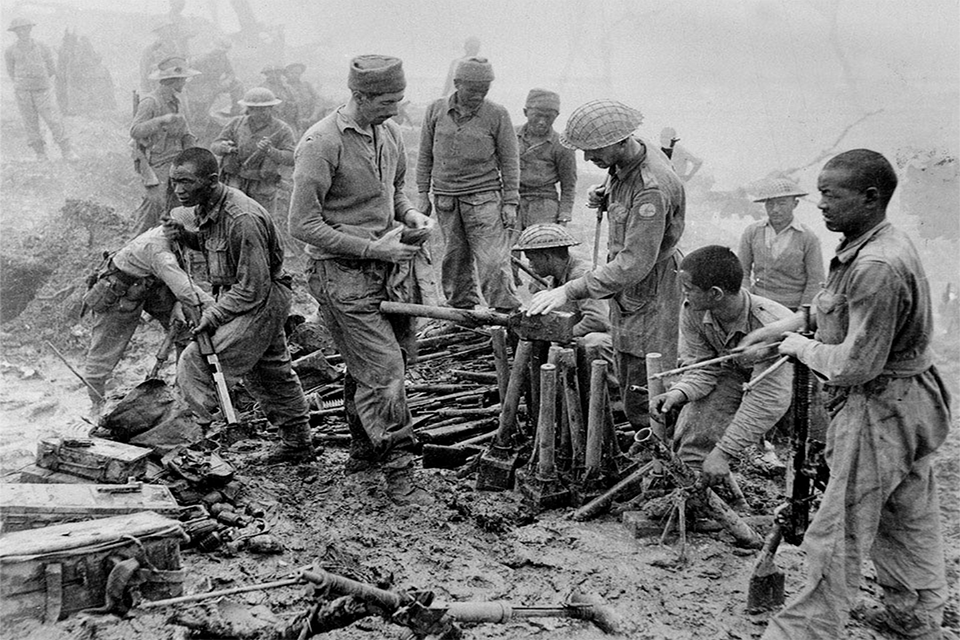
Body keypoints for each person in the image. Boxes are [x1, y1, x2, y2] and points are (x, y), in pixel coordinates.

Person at [740, 150, 952, 640]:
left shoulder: (878, 264)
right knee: (906, 516)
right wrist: (787, 326)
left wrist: (797, 346)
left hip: (881, 406)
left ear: (871, 197)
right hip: (912, 402)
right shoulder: (872, 242)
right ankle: (915, 617)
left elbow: (856, 365)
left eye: (832, 194)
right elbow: (836, 307)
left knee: (837, 532)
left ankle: (802, 633)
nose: (820, 204)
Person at [289, 55, 435, 505]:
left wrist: (410, 215)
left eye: (399, 99)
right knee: (385, 370)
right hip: (340, 276)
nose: (395, 109)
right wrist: (375, 248)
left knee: (376, 363)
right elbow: (302, 224)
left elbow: (395, 193)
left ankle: (363, 450)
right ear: (359, 95)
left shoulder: (388, 132)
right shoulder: (321, 142)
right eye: (386, 101)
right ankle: (399, 472)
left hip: (386, 272)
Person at [528, 100, 685, 430]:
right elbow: (624, 185)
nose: (587, 158)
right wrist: (608, 193)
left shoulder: (650, 189)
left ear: (621, 140)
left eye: (594, 150)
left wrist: (570, 289)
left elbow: (633, 264)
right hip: (629, 289)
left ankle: (661, 458)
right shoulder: (631, 158)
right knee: (628, 366)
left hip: (649, 286)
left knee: (646, 381)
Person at [163, 147, 315, 464]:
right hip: (246, 296)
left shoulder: (241, 218)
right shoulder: (208, 206)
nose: (179, 190)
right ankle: (298, 444)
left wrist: (213, 315)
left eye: (187, 182)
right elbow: (215, 245)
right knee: (271, 371)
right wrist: (187, 237)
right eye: (175, 181)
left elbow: (252, 287)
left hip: (260, 299)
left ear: (212, 180)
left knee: (197, 361)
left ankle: (199, 441)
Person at [650, 245, 793, 481]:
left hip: (797, 386)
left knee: (812, 459)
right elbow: (702, 368)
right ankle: (693, 482)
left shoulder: (769, 324)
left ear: (715, 293)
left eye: (689, 289)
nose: (684, 295)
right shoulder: (694, 311)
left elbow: (767, 399)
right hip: (737, 376)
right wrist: (677, 394)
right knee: (695, 423)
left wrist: (723, 452)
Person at [81, 210, 214, 416]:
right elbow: (185, 289)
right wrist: (218, 309)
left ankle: (182, 392)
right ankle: (97, 407)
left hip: (152, 285)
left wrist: (180, 304)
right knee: (103, 354)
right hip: (120, 291)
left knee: (185, 332)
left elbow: (183, 278)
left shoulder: (175, 243)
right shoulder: (159, 249)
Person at [417, 56, 521, 313]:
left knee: (493, 261)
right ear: (457, 83)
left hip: (484, 198)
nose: (478, 95)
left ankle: (505, 311)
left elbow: (510, 160)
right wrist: (422, 194)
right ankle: (461, 310)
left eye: (484, 90)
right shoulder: (435, 110)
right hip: (446, 199)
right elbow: (425, 155)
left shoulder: (497, 114)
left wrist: (510, 202)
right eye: (473, 89)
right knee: (454, 258)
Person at [514, 223, 618, 396]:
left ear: (547, 256)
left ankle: (614, 397)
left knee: (592, 342)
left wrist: (563, 337)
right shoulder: (556, 276)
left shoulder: (581, 274)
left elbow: (598, 321)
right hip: (590, 338)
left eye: (532, 259)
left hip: (614, 340)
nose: (530, 265)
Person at [130, 56, 199, 237]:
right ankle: (133, 246)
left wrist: (195, 155)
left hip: (178, 161)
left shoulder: (177, 101)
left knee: (181, 206)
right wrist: (160, 121)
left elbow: (186, 131)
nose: (184, 82)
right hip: (157, 163)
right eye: (182, 79)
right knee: (154, 205)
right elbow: (136, 131)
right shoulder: (151, 102)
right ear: (173, 80)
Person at [739, 177, 825, 310]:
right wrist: (746, 301)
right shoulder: (752, 232)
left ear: (795, 204)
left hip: (793, 308)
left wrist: (802, 315)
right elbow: (742, 272)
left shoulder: (807, 237)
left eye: (782, 203)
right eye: (770, 204)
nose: (775, 209)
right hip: (759, 305)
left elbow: (815, 281)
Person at [210, 87, 296, 219]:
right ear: (248, 108)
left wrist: (270, 151)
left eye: (264, 108)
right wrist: (225, 147)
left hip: (263, 185)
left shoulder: (282, 129)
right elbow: (215, 145)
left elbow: (291, 158)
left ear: (271, 108)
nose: (258, 112)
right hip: (235, 182)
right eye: (253, 108)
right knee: (232, 219)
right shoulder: (236, 123)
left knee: (263, 222)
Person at [5, 17, 77, 161]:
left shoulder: (42, 47)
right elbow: (11, 71)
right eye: (19, 29)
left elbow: (51, 68)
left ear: (30, 29)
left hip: (42, 89)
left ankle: (67, 150)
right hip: (23, 92)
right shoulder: (10, 51)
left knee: (53, 119)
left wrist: (39, 81)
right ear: (15, 32)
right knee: (30, 122)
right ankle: (40, 153)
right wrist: (22, 84)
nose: (23, 32)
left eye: (25, 28)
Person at [517, 89, 577, 228]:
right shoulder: (511, 136)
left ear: (557, 116)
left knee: (542, 245)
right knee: (507, 247)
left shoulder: (562, 145)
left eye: (549, 117)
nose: (542, 122)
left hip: (544, 204)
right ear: (525, 112)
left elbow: (569, 184)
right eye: (537, 115)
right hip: (512, 201)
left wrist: (564, 215)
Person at [186, 37, 244, 140]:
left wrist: (227, 81)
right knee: (201, 111)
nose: (221, 54)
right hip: (200, 85)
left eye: (224, 52)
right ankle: (199, 132)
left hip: (216, 83)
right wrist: (205, 87)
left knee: (237, 83)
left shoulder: (223, 57)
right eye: (219, 51)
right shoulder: (200, 59)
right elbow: (190, 77)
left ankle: (236, 110)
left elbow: (230, 73)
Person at [139, 22, 181, 94]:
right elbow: (144, 72)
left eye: (168, 28)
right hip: (157, 87)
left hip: (175, 87)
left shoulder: (176, 49)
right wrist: (146, 91)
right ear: (157, 33)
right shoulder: (149, 50)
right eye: (162, 30)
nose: (167, 32)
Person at [283, 62, 322, 134]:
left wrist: (314, 115)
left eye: (298, 73)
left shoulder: (306, 85)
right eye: (292, 73)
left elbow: (318, 100)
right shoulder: (284, 88)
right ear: (287, 74)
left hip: (309, 121)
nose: (295, 75)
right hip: (292, 124)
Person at [259, 64, 299, 131]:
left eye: (277, 72)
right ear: (267, 74)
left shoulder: (287, 88)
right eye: (271, 73)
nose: (274, 75)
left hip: (286, 119)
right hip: (268, 121)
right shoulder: (262, 88)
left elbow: (295, 102)